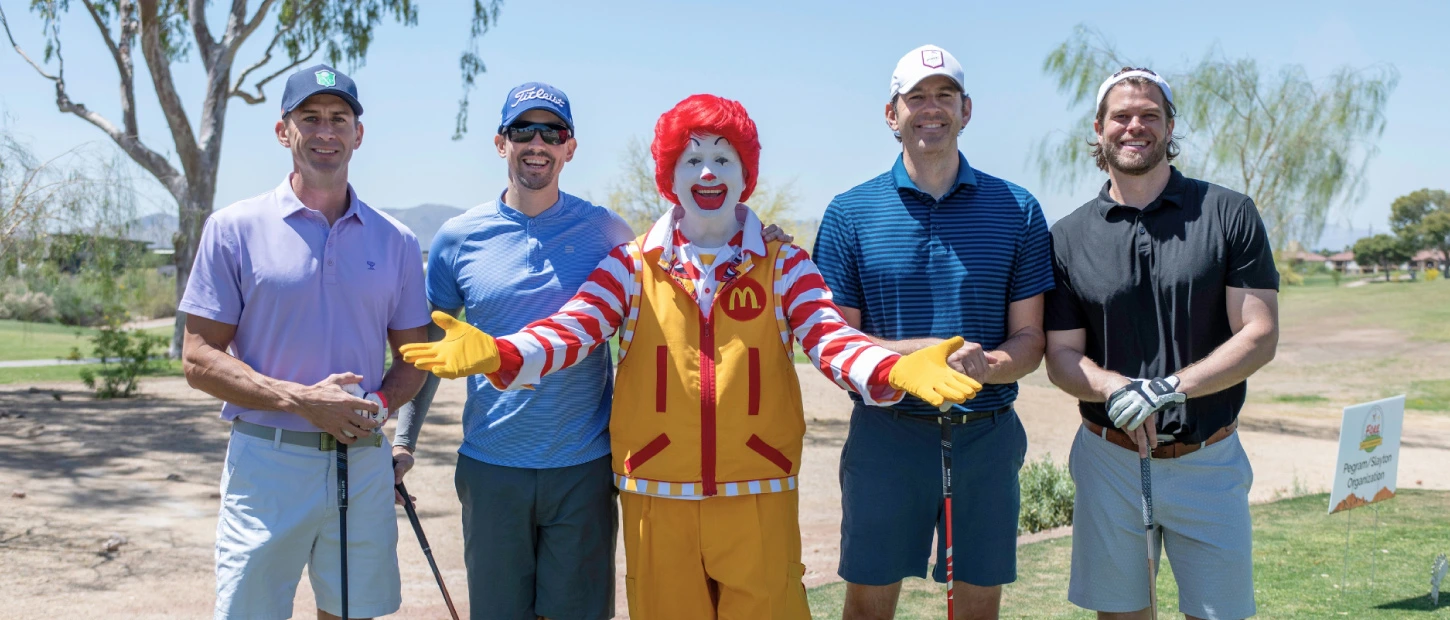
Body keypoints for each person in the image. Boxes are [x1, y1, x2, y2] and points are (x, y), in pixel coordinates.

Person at [400, 93, 982, 620]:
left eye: (724, 160)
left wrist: (892, 368)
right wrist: (501, 353)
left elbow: (829, 336)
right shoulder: (629, 265)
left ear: (745, 174)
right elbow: (570, 330)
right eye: (693, 159)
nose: (708, 173)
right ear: (669, 174)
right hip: (658, 501)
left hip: (758, 496)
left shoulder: (784, 264)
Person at [395, 83, 799, 620]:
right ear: (501, 142)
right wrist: (403, 442)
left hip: (583, 466)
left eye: (552, 132)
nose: (537, 143)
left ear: (570, 147)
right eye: (523, 130)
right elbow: (430, 348)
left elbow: (679, 254)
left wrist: (756, 238)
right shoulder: (454, 237)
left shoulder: (609, 233)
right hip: (492, 462)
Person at [811, 44, 1055, 620]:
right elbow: (833, 341)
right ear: (891, 114)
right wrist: (917, 356)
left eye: (944, 95)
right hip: (887, 436)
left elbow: (1031, 340)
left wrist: (986, 366)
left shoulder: (1017, 209)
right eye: (915, 97)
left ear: (966, 110)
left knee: (976, 607)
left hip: (986, 435)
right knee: (869, 605)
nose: (931, 108)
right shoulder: (850, 213)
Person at [179, 64, 430, 620]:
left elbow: (415, 357)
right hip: (266, 463)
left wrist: (375, 408)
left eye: (339, 118)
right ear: (282, 130)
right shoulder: (233, 228)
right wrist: (303, 400)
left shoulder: (398, 240)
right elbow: (198, 358)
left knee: (351, 614)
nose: (325, 131)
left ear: (358, 135)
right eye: (309, 118)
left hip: (361, 461)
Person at [1043, 67, 1279, 620]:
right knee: (1122, 615)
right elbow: (1060, 355)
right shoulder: (1066, 236)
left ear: (1170, 126)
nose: (1135, 126)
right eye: (1121, 116)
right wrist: (1109, 385)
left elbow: (1260, 333)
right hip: (1111, 458)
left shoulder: (1228, 212)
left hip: (1209, 457)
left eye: (1150, 115)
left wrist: (1171, 388)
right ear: (1099, 128)